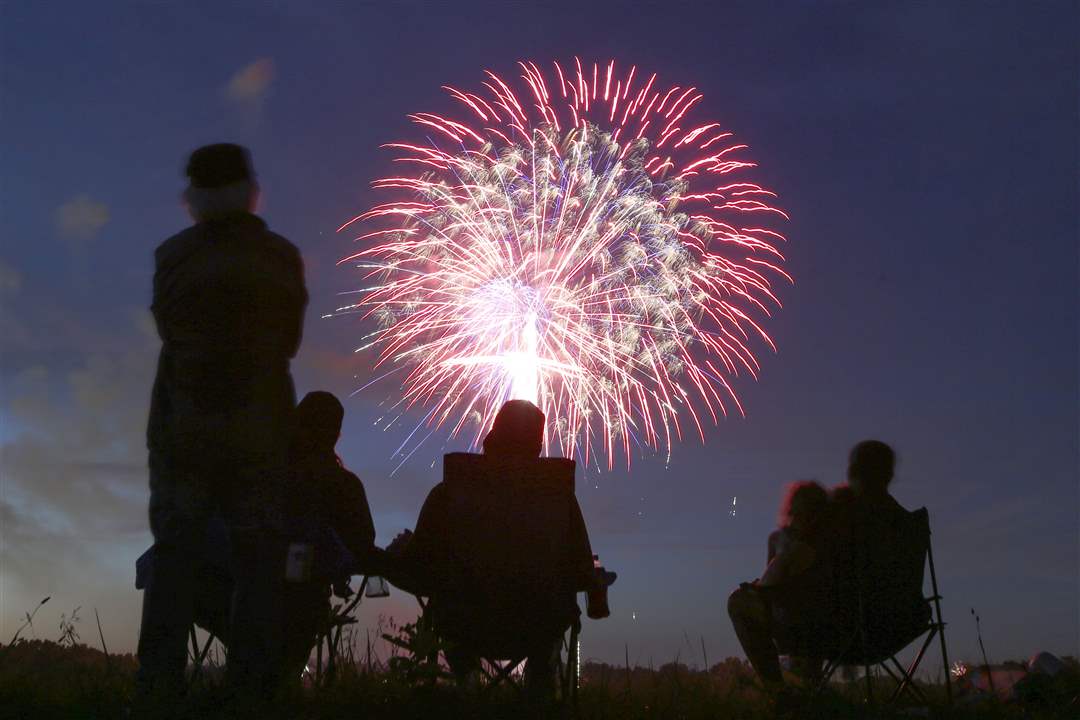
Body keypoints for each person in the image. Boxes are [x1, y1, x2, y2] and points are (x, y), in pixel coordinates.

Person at [137, 143, 307, 697]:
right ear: (249, 190)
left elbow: (169, 329)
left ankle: (158, 687)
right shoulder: (281, 257)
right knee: (258, 563)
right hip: (260, 429)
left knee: (174, 558)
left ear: (194, 195)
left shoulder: (172, 257)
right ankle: (252, 689)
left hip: (184, 429)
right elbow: (289, 340)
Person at [386, 400, 609, 698]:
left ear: (492, 437)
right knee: (553, 616)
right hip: (538, 625)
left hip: (462, 623)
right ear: (537, 446)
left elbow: (419, 564)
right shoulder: (560, 501)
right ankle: (540, 685)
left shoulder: (449, 492)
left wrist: (398, 551)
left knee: (445, 609)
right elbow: (581, 568)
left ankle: (466, 680)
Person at [279, 391, 381, 683]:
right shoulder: (345, 486)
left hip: (242, 596)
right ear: (335, 435)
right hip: (306, 604)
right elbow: (363, 545)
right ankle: (284, 683)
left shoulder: (268, 477)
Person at [727, 481, 834, 689]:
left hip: (807, 626)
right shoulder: (790, 540)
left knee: (739, 602)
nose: (795, 517)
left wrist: (760, 587)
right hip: (819, 625)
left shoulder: (805, 543)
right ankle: (806, 684)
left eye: (800, 512)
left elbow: (772, 584)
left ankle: (778, 691)